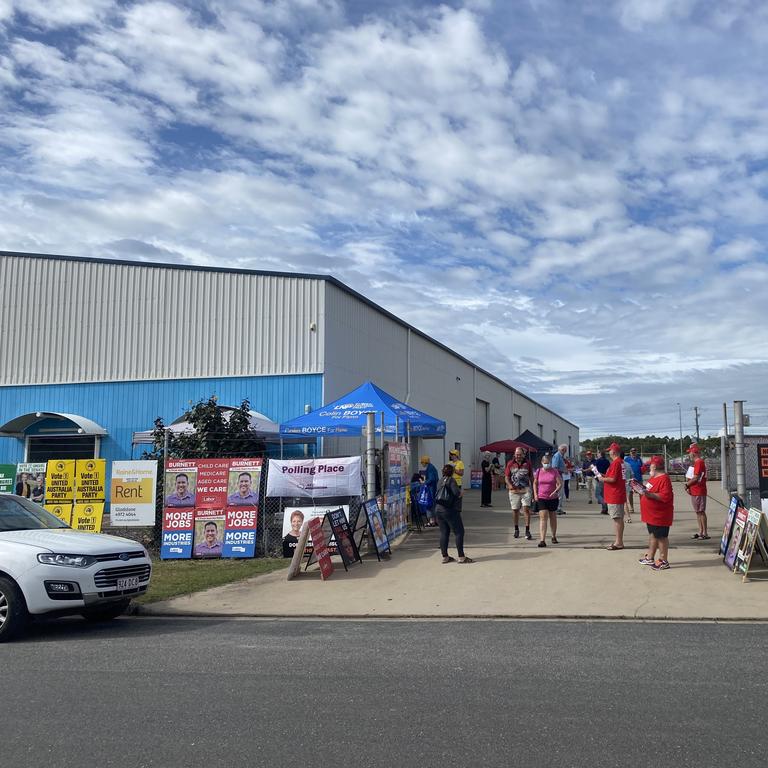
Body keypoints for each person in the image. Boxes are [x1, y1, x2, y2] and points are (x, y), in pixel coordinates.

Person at [636, 456, 674, 570]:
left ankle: (663, 560)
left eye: (650, 465)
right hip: (651, 515)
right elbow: (647, 490)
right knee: (653, 535)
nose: (648, 467)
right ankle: (650, 557)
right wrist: (639, 489)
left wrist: (649, 494)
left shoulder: (664, 479)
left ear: (654, 466)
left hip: (660, 515)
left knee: (661, 537)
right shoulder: (653, 478)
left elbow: (665, 496)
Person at [434, 463, 472, 564]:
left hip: (438, 509)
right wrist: (461, 493)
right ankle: (461, 557)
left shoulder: (440, 481)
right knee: (459, 532)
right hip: (449, 510)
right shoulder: (451, 480)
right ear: (452, 472)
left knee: (444, 532)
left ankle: (445, 556)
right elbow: (456, 493)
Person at [596, 442, 628, 550]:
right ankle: (619, 541)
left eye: (610, 450)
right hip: (617, 493)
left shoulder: (616, 463)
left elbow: (613, 479)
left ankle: (619, 542)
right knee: (618, 518)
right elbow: (615, 477)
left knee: (617, 519)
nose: (609, 453)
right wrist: (604, 475)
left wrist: (602, 479)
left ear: (613, 452)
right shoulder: (620, 462)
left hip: (615, 494)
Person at [533, 453, 563, 547]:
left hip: (552, 497)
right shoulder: (538, 471)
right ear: (542, 463)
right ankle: (542, 540)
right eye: (545, 463)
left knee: (552, 516)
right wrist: (535, 494)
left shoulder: (554, 471)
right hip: (542, 497)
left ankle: (553, 536)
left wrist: (556, 491)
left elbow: (560, 483)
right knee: (543, 517)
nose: (547, 464)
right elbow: (535, 483)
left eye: (548, 463)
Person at [505, 447, 533, 540]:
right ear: (514, 454)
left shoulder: (527, 463)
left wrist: (533, 488)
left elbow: (531, 476)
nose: (518, 456)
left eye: (520, 454)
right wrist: (509, 485)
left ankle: (527, 530)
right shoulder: (510, 463)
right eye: (517, 454)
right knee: (515, 510)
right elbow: (506, 477)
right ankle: (516, 529)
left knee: (526, 509)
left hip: (525, 489)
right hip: (514, 490)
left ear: (523, 455)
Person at [685, 444, 709, 540]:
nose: (689, 454)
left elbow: (696, 477)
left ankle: (705, 533)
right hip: (695, 490)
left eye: (690, 452)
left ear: (694, 453)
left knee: (701, 511)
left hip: (699, 490)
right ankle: (700, 531)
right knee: (698, 512)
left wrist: (687, 485)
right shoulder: (696, 463)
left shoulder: (699, 462)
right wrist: (689, 487)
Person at [625, 447, 643, 515]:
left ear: (636, 452)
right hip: (630, 479)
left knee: (641, 493)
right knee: (630, 493)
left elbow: (642, 467)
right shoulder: (627, 459)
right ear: (630, 452)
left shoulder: (639, 459)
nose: (633, 453)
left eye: (634, 451)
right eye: (632, 452)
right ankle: (631, 508)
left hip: (638, 479)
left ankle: (643, 507)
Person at [551, 444, 568, 514]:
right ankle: (557, 508)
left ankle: (558, 507)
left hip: (559, 476)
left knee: (560, 493)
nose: (564, 451)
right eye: (563, 450)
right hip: (557, 477)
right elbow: (555, 467)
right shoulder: (557, 456)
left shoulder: (560, 456)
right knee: (559, 493)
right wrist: (563, 471)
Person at [593, 449, 610, 514]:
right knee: (603, 494)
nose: (597, 454)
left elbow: (595, 470)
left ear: (600, 454)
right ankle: (604, 509)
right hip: (606, 479)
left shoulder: (597, 461)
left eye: (598, 453)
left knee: (597, 494)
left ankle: (605, 504)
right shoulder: (607, 461)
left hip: (599, 479)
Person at [621, 452, 633, 524]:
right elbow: (632, 475)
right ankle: (626, 516)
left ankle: (628, 517)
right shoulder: (628, 464)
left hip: (620, 486)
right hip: (627, 484)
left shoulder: (617, 464)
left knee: (623, 502)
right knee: (623, 502)